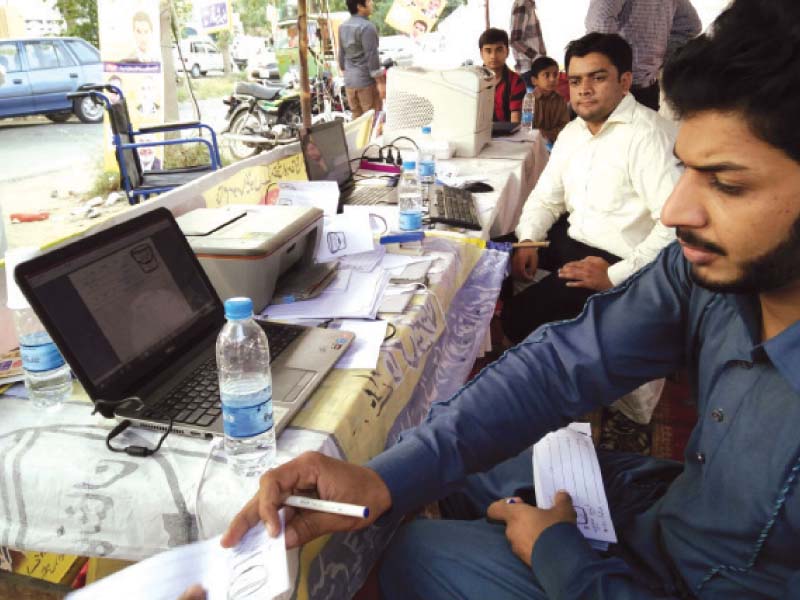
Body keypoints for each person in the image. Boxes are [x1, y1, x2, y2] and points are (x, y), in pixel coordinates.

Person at [214, 2, 800, 597]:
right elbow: (561, 365)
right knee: (449, 461)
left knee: (415, 552)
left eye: (726, 183)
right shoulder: (708, 270)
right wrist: (380, 480)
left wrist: (558, 554)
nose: (676, 211)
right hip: (675, 504)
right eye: (688, 171)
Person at [502, 32, 677, 345]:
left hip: (620, 260)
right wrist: (528, 239)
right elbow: (546, 198)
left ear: (624, 82)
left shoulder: (648, 136)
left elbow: (675, 227)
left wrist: (614, 275)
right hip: (573, 240)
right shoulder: (573, 132)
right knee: (489, 260)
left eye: (597, 78)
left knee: (519, 317)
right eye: (575, 81)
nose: (583, 90)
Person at [585, 0, 700, 111]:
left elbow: (600, 27)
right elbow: (690, 26)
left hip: (616, 85)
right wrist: (656, 59)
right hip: (644, 85)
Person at [338, 0, 385, 119]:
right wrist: (381, 83)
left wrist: (348, 73)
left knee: (357, 121)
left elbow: (341, 55)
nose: (372, 3)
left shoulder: (342, 27)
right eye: (369, 1)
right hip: (366, 83)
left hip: (349, 82)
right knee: (374, 121)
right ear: (360, 6)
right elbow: (372, 57)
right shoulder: (367, 27)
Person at [480, 28, 526, 123]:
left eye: (499, 50)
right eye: (488, 51)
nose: (493, 56)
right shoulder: (473, 81)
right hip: (477, 135)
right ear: (481, 53)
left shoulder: (516, 82)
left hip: (508, 135)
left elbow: (515, 120)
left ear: (507, 52)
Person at [528, 56, 570, 144]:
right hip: (533, 144)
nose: (552, 79)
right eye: (546, 75)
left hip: (556, 144)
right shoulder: (528, 100)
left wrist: (547, 134)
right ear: (534, 80)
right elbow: (526, 129)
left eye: (555, 75)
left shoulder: (560, 100)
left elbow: (565, 127)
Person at [508, 0, 546, 88]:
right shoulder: (523, 5)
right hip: (529, 70)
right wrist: (537, 57)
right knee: (532, 101)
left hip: (532, 68)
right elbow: (515, 41)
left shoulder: (527, 5)